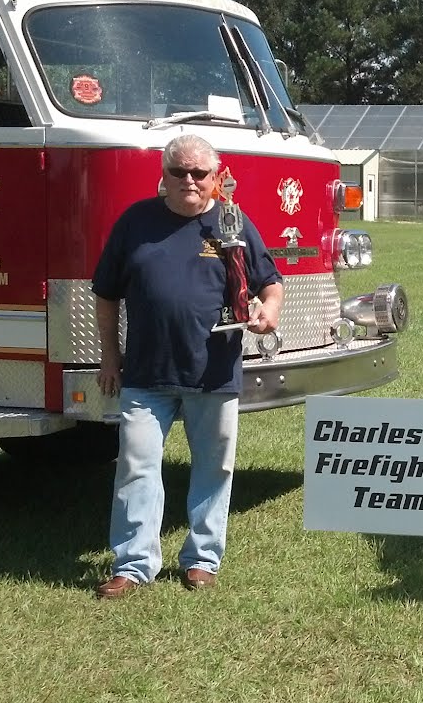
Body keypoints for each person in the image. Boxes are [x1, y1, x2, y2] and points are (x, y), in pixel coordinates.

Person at [91, 134, 284, 599]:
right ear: (164, 175)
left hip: (213, 372)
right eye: (179, 172)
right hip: (145, 372)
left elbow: (271, 282)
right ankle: (134, 564)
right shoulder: (135, 222)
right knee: (137, 466)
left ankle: (202, 559)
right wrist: (110, 358)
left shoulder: (232, 222)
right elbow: (105, 294)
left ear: (217, 177)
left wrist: (268, 312)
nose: (190, 181)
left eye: (200, 173)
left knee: (214, 467)